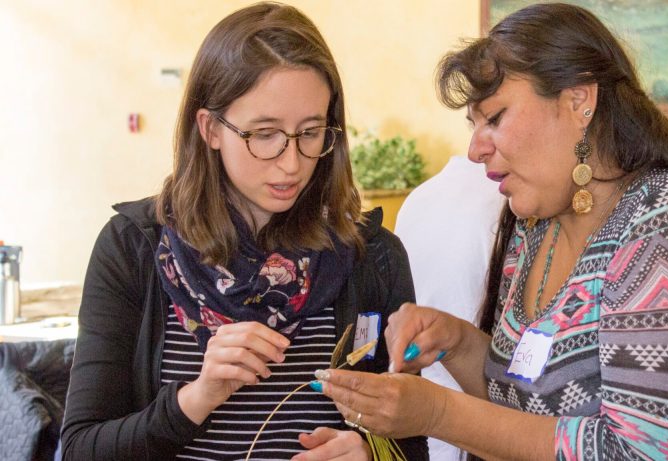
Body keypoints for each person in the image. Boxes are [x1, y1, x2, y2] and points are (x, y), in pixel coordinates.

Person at [312, 3, 668, 460]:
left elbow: (634, 453)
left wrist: (438, 415)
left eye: (494, 117)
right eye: (472, 125)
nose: (475, 149)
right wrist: (460, 343)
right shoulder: (538, 228)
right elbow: (531, 406)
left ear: (579, 101)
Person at [60, 3, 427, 460]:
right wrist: (197, 397)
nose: (292, 163)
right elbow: (79, 450)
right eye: (264, 133)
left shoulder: (371, 256)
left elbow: (410, 443)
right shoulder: (134, 247)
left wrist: (373, 454)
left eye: (311, 132)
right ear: (210, 128)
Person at [393, 155, 505, 461]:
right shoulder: (503, 201)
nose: (476, 147)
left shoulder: (421, 196)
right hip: (465, 420)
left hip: (436, 418)